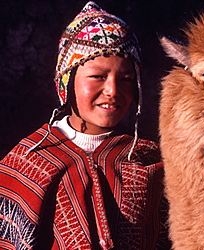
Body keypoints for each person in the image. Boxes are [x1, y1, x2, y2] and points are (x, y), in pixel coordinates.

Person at [0, 2, 170, 249]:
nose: (112, 91)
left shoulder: (151, 162)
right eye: (97, 76)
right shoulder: (27, 161)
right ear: (66, 82)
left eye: (126, 79)